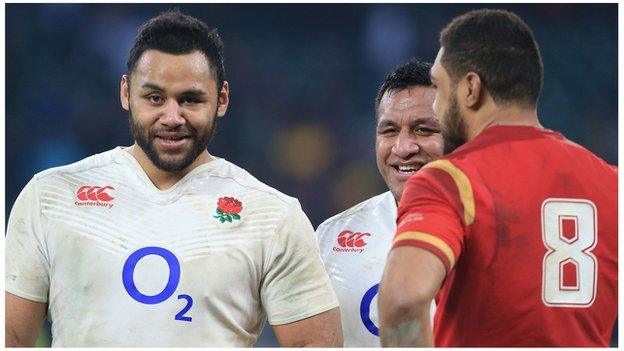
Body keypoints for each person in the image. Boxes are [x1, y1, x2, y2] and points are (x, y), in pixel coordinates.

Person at [5, 10, 341, 347]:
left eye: (190, 99)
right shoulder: (50, 197)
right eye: (154, 98)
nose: (172, 117)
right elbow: (12, 336)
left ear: (221, 99)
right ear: (126, 93)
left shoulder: (272, 216)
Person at [379, 9, 617, 347]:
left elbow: (404, 301)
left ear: (471, 89)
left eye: (439, 87)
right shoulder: (612, 182)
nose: (435, 106)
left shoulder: (449, 181)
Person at [316, 59, 443, 347]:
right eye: (388, 131)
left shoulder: (498, 235)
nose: (403, 148)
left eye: (423, 129)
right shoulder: (330, 238)